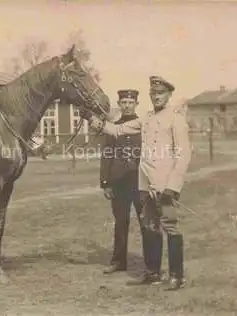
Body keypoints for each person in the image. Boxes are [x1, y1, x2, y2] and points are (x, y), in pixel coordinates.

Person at [86, 76, 192, 291]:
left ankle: (176, 276)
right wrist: (92, 119)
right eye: (153, 93)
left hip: (165, 184)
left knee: (170, 227)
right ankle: (152, 273)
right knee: (150, 227)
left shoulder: (176, 119)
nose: (156, 96)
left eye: (160, 93)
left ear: (168, 95)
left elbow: (183, 155)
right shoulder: (147, 118)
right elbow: (117, 130)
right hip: (145, 184)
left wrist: (173, 185)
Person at [100, 89, 149, 274]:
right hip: (118, 182)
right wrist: (106, 183)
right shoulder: (112, 128)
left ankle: (150, 262)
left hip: (140, 181)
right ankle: (119, 261)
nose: (127, 105)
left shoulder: (143, 126)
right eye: (124, 102)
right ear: (119, 104)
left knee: (146, 222)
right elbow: (106, 155)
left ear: (136, 104)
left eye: (130, 102)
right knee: (120, 222)